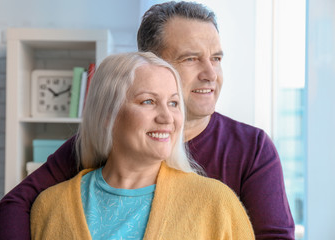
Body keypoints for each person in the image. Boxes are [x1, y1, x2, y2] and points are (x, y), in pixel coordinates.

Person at [0, 1, 294, 239]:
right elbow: (12, 210)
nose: (211, 74)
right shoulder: (98, 144)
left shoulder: (251, 149)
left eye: (216, 58)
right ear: (149, 61)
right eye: (191, 58)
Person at [30, 51, 255, 239]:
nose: (167, 117)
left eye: (174, 103)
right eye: (148, 101)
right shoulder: (49, 207)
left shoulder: (217, 204)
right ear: (108, 113)